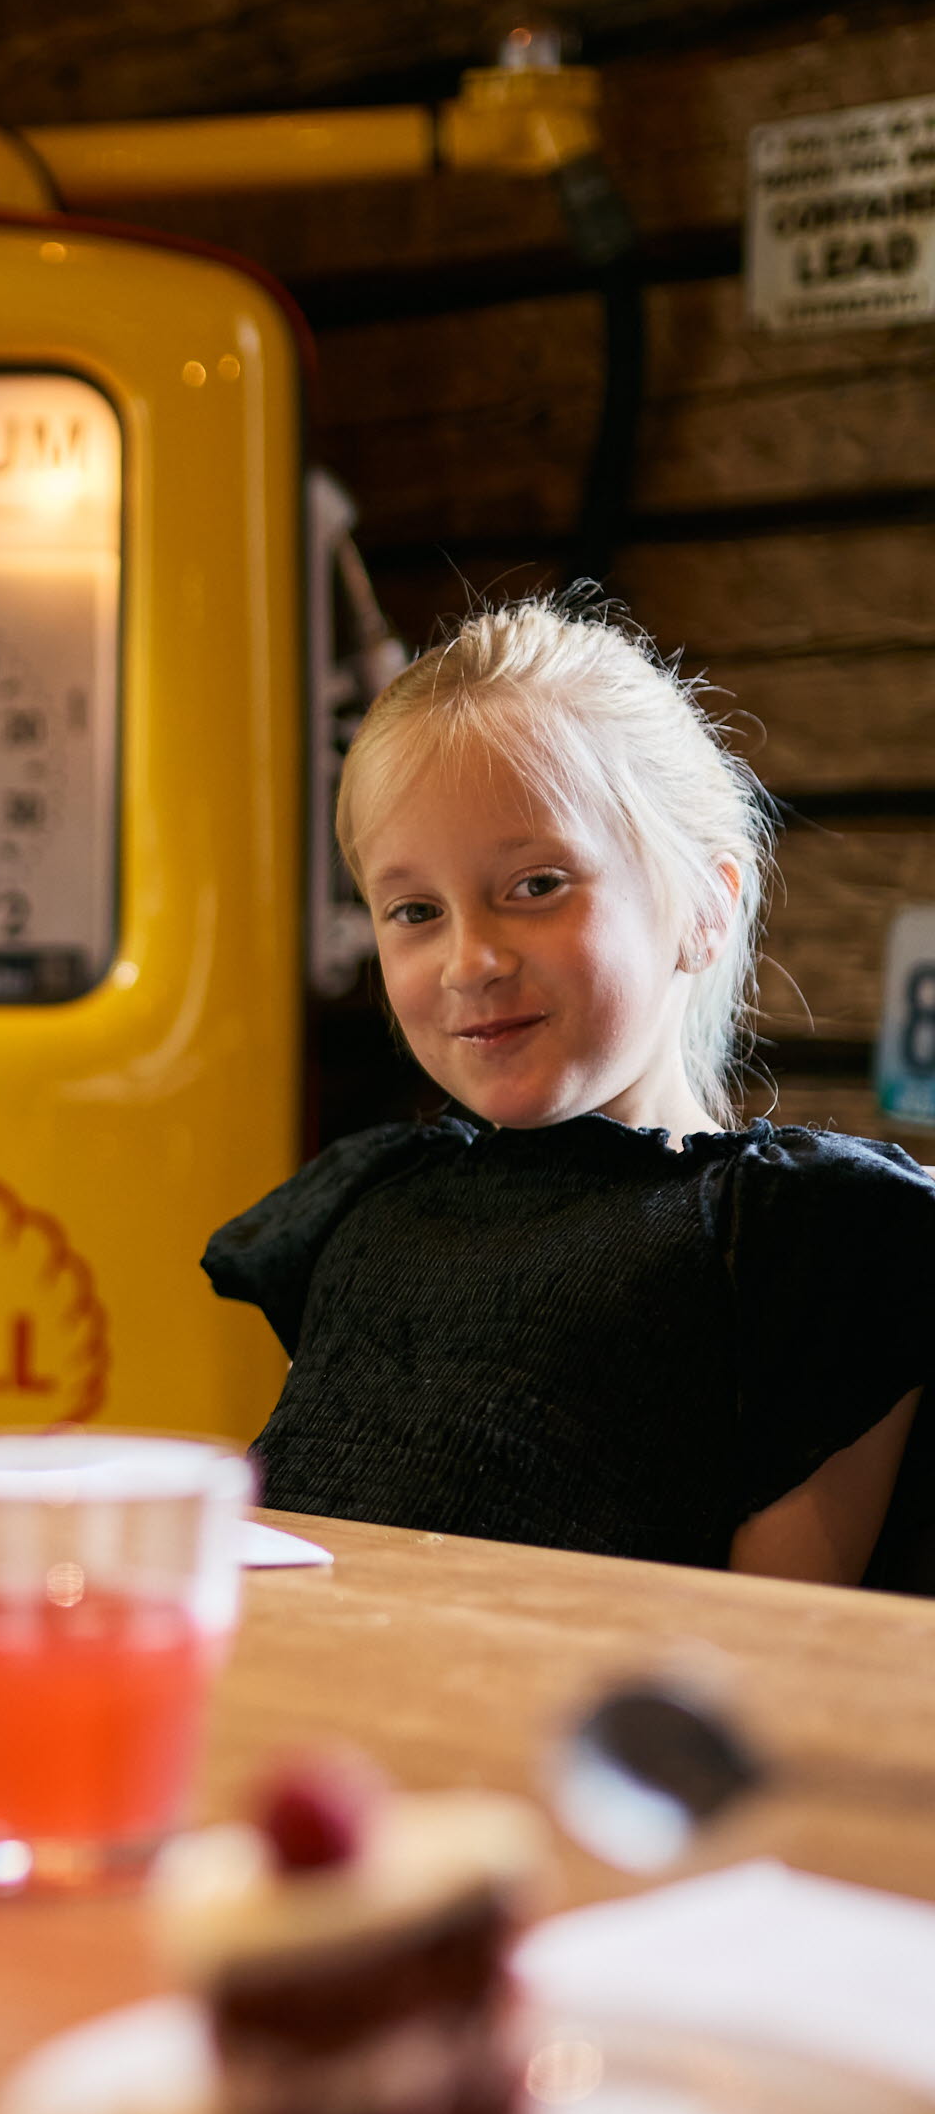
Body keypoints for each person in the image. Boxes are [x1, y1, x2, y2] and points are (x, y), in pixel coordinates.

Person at [205, 594, 935, 1587]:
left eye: (536, 884)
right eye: (414, 908)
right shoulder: (362, 1209)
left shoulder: (806, 1242)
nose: (470, 959)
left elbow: (765, 1672)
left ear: (705, 909)